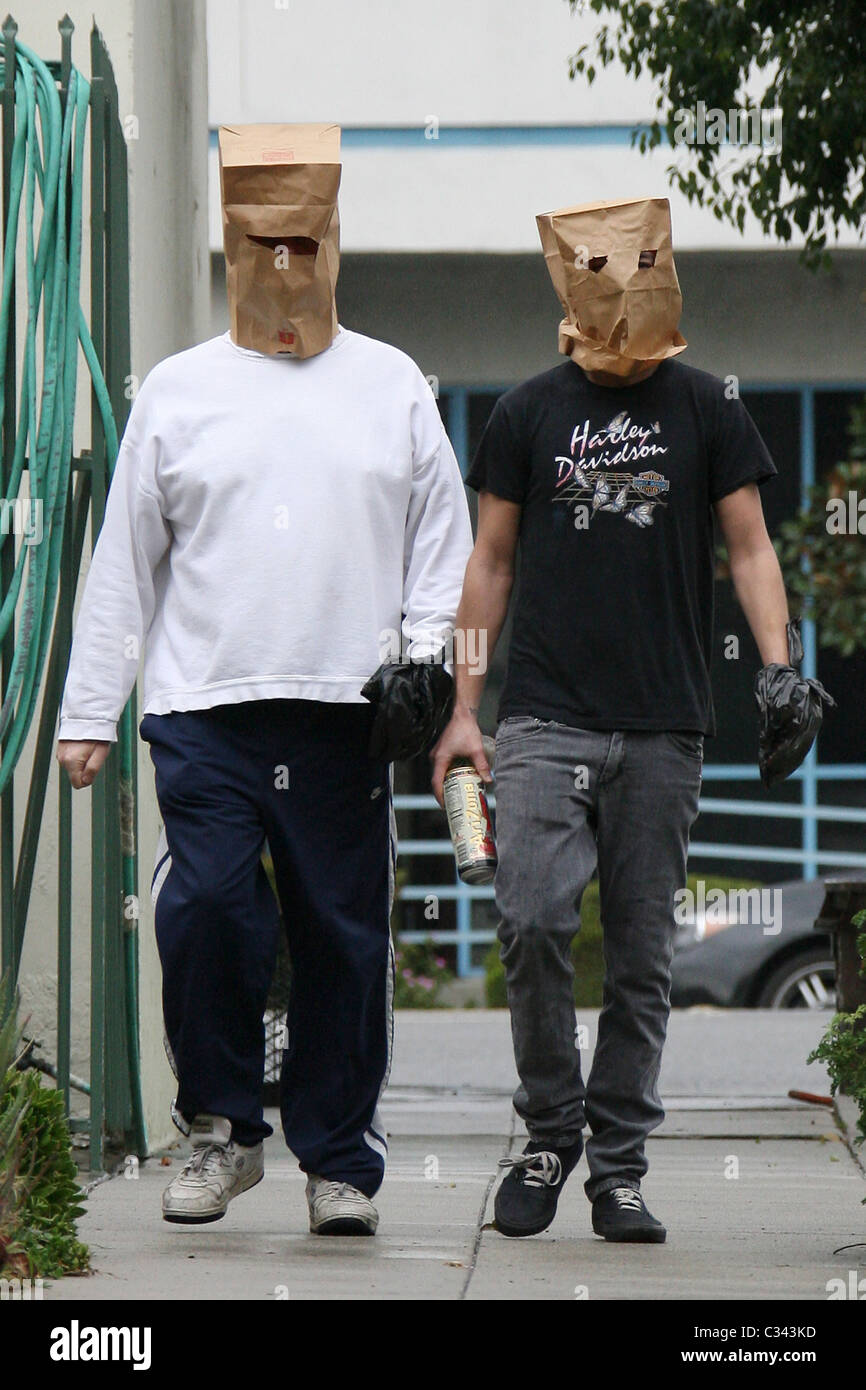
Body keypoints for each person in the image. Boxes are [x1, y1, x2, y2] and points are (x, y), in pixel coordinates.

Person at [56, 123, 473, 1237]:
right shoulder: (183, 391)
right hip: (203, 708)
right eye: (266, 240)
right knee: (204, 911)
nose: (285, 261)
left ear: (333, 243)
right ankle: (218, 1129)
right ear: (236, 246)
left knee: (341, 933)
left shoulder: (390, 383)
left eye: (305, 239)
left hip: (345, 715)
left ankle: (337, 1157)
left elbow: (444, 538)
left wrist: (424, 663)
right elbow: (124, 560)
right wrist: (90, 708)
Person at [432, 195, 829, 1244]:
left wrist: (779, 670)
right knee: (530, 919)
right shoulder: (523, 414)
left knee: (644, 955)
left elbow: (748, 547)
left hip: (663, 726)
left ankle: (616, 1169)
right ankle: (546, 1130)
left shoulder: (705, 407)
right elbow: (489, 563)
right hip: (543, 720)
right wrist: (461, 706)